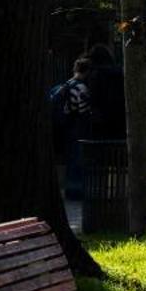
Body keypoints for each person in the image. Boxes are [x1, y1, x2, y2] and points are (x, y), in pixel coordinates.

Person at [48, 55, 93, 198]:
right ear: (87, 71)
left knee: (71, 159)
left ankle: (70, 190)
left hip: (67, 127)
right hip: (77, 127)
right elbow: (83, 109)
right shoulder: (81, 87)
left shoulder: (67, 84)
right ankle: (77, 191)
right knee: (78, 159)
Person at [86, 43, 125, 144]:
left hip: (102, 117)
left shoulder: (96, 74)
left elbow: (94, 97)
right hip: (121, 115)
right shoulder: (120, 72)